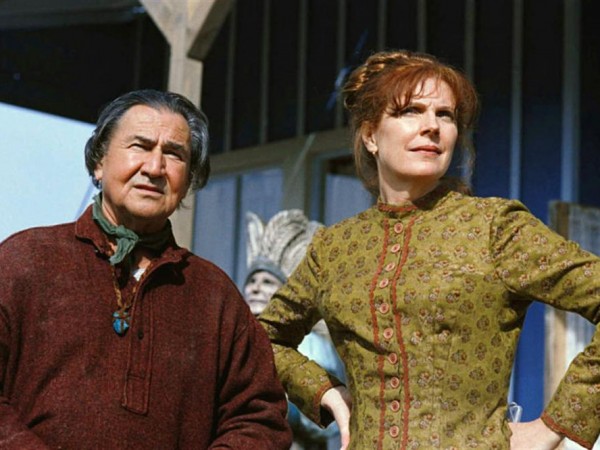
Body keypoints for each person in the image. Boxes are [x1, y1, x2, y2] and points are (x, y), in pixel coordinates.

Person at [258, 49, 600, 449]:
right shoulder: (334, 248)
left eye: (445, 115)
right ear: (370, 135)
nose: (432, 127)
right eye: (411, 111)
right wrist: (327, 393)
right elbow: (261, 340)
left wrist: (555, 425)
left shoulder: (494, 227)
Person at [0, 89, 291, 449]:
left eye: (174, 154)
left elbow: (259, 418)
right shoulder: (26, 261)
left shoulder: (214, 296)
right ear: (99, 162)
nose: (154, 168)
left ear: (189, 180)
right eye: (140, 146)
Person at [244, 210, 345, 449]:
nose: (256, 288)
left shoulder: (311, 344)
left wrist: (288, 409)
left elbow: (330, 415)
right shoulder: (236, 338)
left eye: (267, 282)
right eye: (252, 281)